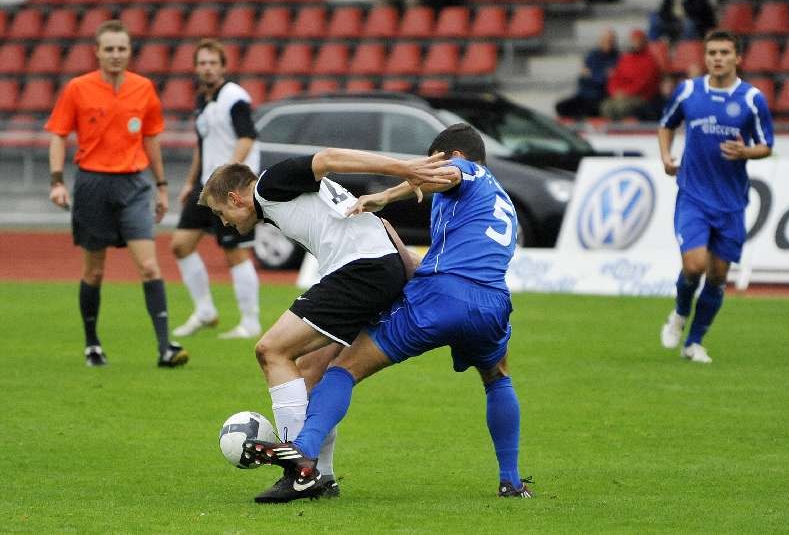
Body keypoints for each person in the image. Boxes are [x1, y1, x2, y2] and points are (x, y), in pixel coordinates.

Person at [242, 124, 531, 502]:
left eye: (434, 161)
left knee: (343, 369)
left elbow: (450, 173)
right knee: (497, 378)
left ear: (453, 156)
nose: (427, 170)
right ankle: (510, 481)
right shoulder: (501, 200)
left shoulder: (467, 171)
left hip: (440, 297)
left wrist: (400, 183)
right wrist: (387, 199)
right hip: (494, 303)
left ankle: (304, 451)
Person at [199, 148, 452, 502]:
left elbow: (329, 157)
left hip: (359, 271)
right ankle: (324, 478)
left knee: (271, 350)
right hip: (375, 269)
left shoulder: (269, 185)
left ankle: (296, 469)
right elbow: (381, 224)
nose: (223, 222)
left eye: (219, 212)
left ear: (234, 197)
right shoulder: (280, 202)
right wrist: (405, 269)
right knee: (308, 370)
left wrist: (403, 168)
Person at [46, 20, 187, 368]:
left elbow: (151, 138)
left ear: (129, 52)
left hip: (134, 185)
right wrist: (56, 181)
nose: (115, 55)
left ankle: (165, 347)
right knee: (94, 272)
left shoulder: (144, 88)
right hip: (92, 184)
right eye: (108, 49)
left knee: (150, 266)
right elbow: (58, 135)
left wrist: (162, 185)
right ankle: (92, 343)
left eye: (121, 48)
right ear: (96, 51)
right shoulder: (78, 89)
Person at [658, 30, 773, 363]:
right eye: (712, 53)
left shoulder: (753, 99)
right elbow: (666, 124)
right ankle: (680, 314)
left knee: (719, 275)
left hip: (731, 202)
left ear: (737, 58)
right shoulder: (689, 91)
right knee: (694, 266)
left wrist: (747, 152)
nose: (717, 58)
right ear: (706, 57)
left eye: (724, 52)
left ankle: (693, 343)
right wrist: (666, 156)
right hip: (693, 195)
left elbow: (767, 145)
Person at [170, 39, 262, 340]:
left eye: (212, 63)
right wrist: (189, 182)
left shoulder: (234, 97)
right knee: (181, 244)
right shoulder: (202, 100)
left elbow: (247, 138)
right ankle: (205, 310)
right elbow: (202, 144)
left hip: (230, 185)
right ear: (196, 67)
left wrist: (227, 174)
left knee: (233, 251)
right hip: (206, 185)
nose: (207, 68)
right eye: (202, 63)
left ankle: (250, 323)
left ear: (223, 66)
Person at [555, 28, 619, 119]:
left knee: (591, 109)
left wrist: (591, 75)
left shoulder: (617, 58)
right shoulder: (592, 56)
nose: (607, 43)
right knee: (560, 106)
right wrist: (599, 75)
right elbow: (582, 80)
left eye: (610, 40)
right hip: (584, 94)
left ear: (614, 42)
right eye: (604, 40)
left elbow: (605, 82)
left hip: (601, 97)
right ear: (599, 41)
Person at [600, 29, 661, 121]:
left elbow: (643, 83)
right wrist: (615, 91)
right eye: (634, 41)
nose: (635, 43)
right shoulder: (625, 59)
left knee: (622, 107)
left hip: (641, 97)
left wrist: (626, 93)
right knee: (606, 106)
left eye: (638, 41)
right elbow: (615, 77)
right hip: (621, 96)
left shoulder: (650, 61)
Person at [648, 0, 716, 43]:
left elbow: (698, 11)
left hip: (692, 20)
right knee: (654, 18)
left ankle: (684, 49)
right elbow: (664, 8)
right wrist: (666, 17)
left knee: (688, 24)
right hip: (672, 19)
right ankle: (653, 46)